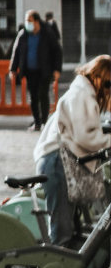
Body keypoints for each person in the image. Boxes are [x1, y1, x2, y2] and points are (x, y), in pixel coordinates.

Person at [33, 55, 111, 246]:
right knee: (62, 231)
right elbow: (85, 136)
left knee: (72, 225)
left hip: (62, 160)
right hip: (58, 162)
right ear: (101, 78)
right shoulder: (81, 95)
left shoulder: (84, 93)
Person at [9, 10, 63, 132]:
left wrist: (57, 69)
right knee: (33, 97)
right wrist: (13, 69)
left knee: (43, 94)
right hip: (30, 71)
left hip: (44, 70)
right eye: (27, 21)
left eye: (30, 21)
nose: (28, 23)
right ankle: (37, 122)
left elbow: (57, 51)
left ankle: (44, 121)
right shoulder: (23, 35)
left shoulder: (47, 33)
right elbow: (16, 52)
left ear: (37, 21)